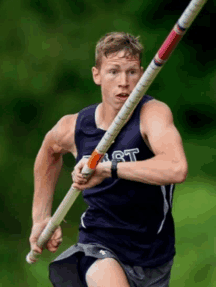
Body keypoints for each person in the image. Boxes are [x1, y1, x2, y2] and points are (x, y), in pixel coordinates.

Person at [29, 32, 188, 287]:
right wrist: (41, 217)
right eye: (114, 71)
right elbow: (50, 151)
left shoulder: (152, 115)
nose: (124, 82)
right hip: (99, 244)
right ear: (97, 75)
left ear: (143, 75)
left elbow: (176, 168)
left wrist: (108, 169)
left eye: (132, 72)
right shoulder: (76, 126)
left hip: (154, 254)